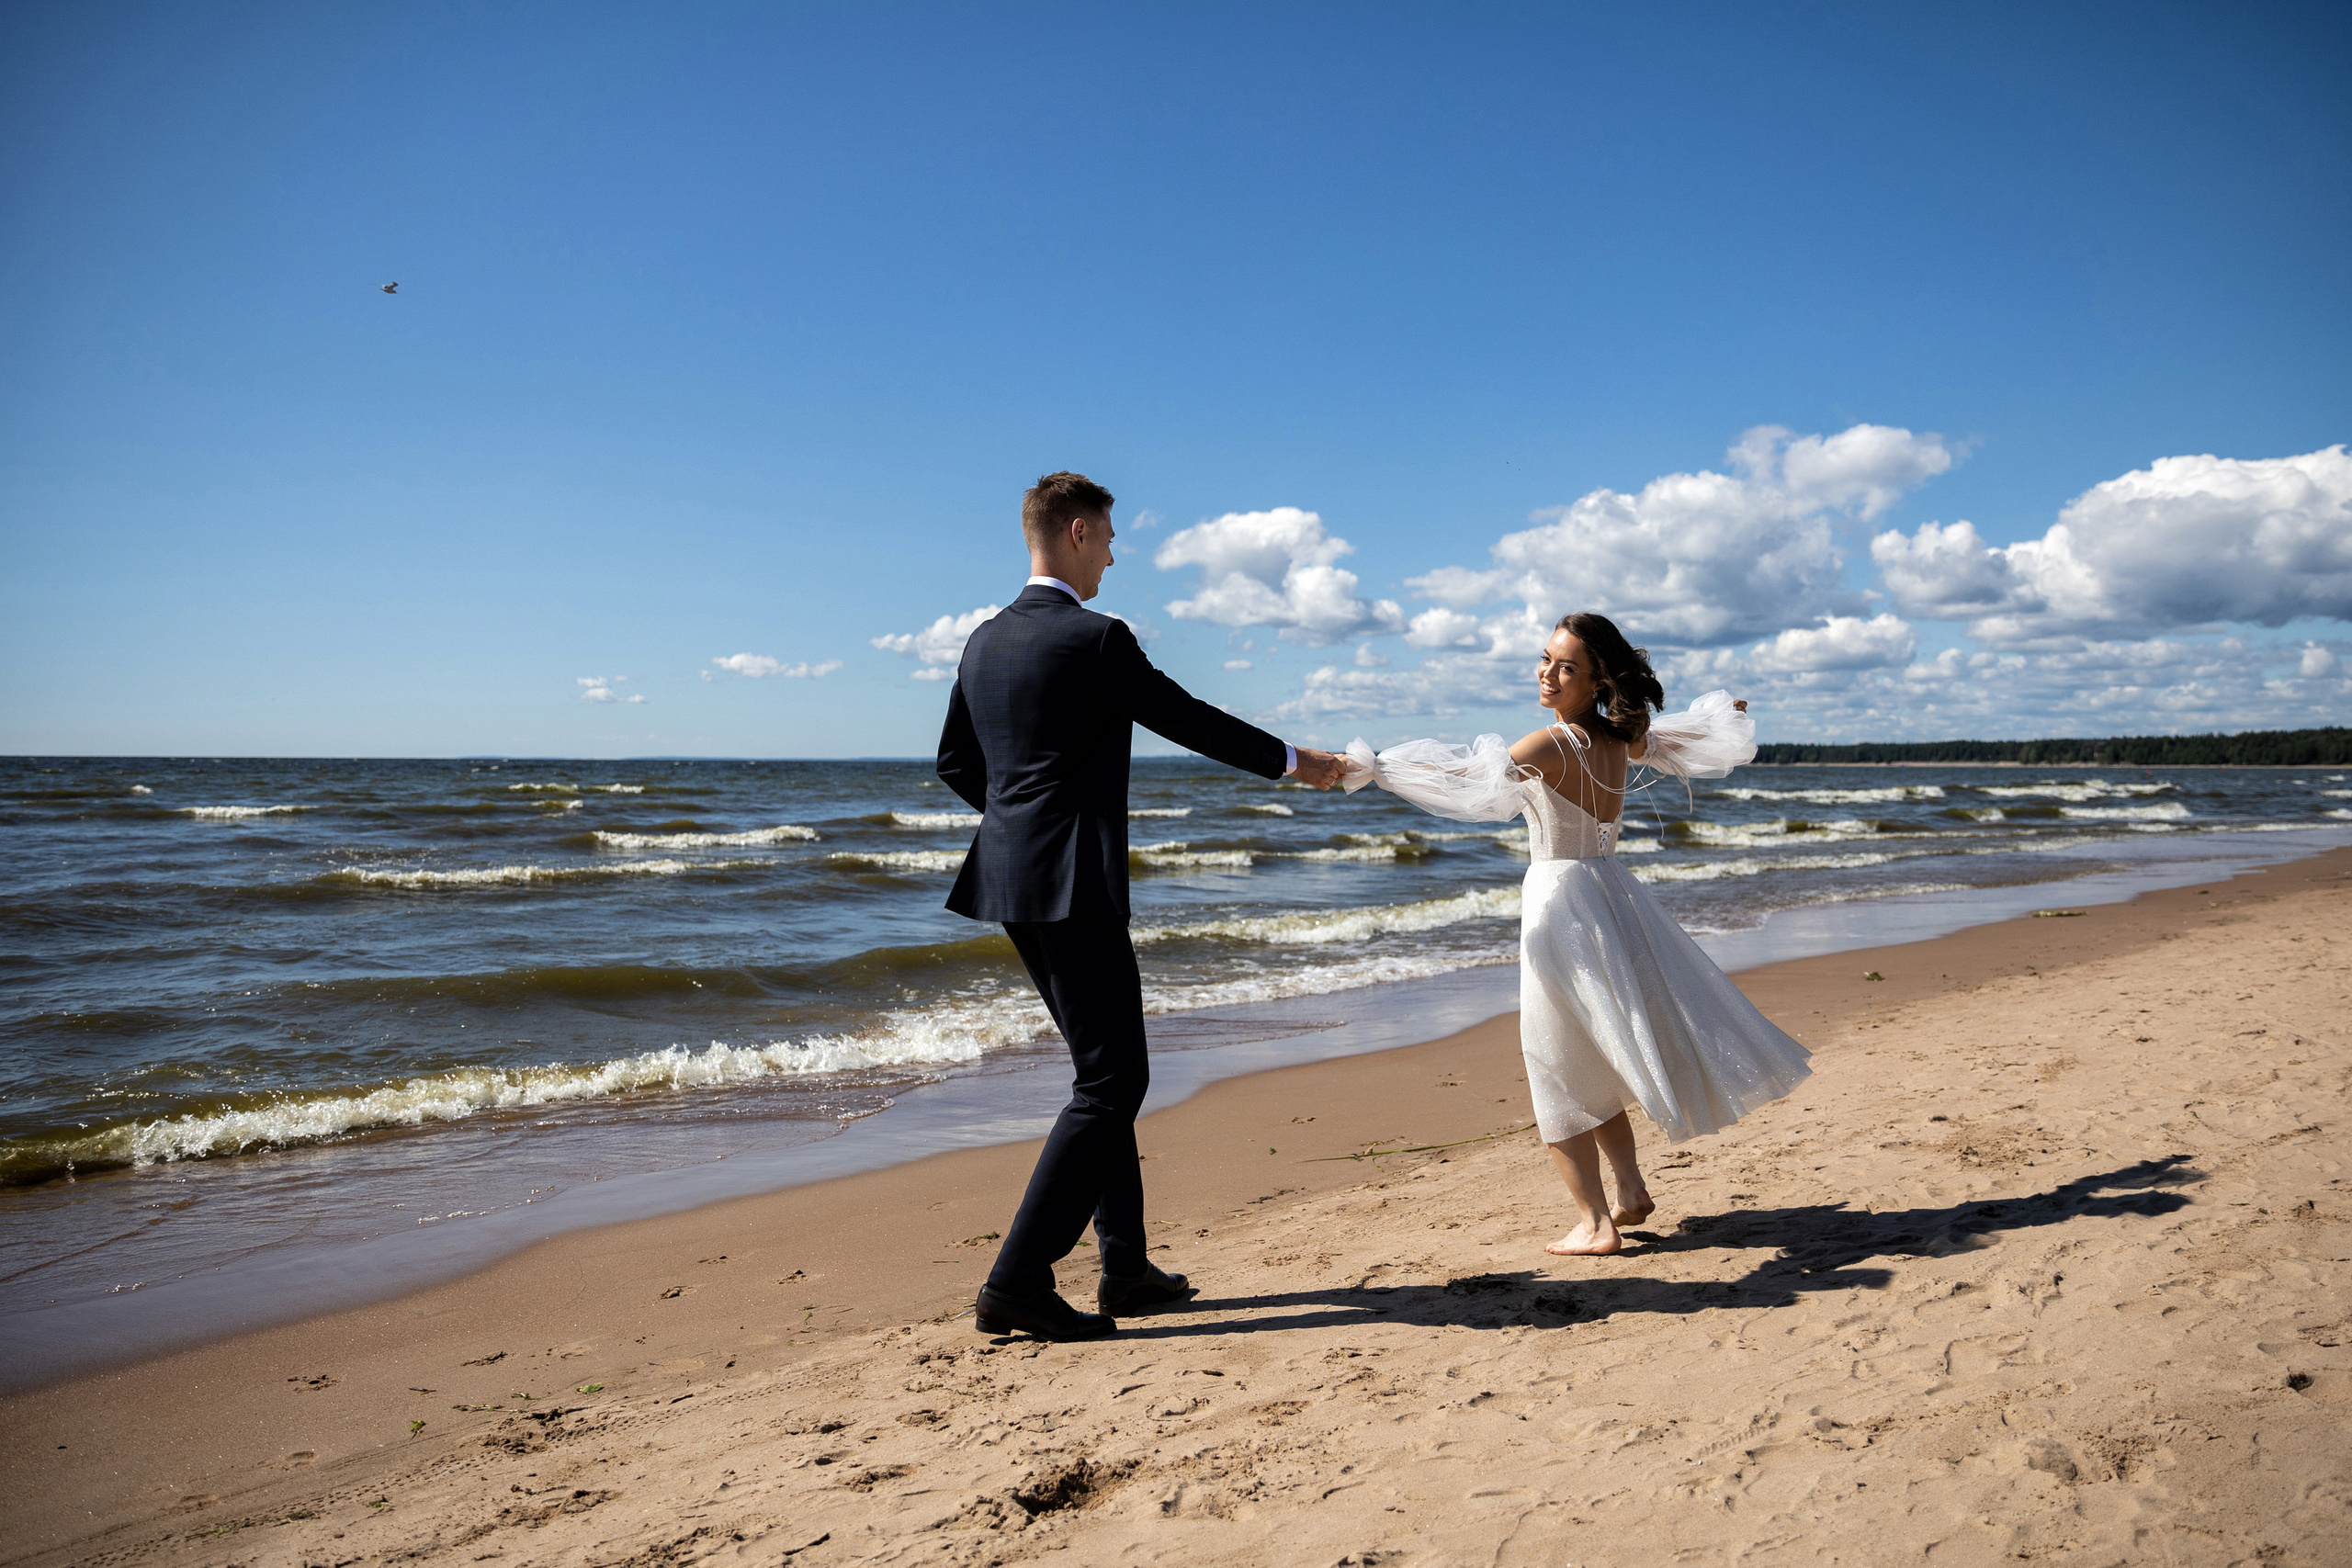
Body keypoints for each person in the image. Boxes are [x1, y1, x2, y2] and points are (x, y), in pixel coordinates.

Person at [937, 471, 1348, 1341]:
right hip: (1075, 879)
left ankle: (1124, 1265)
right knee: (1114, 1078)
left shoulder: (980, 642)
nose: (1116, 555)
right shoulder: (1095, 638)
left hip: (1012, 880)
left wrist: (1019, 820)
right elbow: (1186, 717)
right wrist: (1293, 761)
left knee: (1102, 1071)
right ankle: (1016, 1277)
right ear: (1078, 532)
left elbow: (956, 765)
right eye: (1112, 538)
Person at [1341, 611, 1811, 1256]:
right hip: (1609, 892)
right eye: (1545, 658)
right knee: (1584, 1050)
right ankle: (1630, 1188)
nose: (1548, 673)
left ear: (1595, 682)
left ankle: (1595, 1223)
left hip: (1560, 901)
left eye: (1566, 666)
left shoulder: (1548, 745)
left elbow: (1465, 783)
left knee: (1555, 1061)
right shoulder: (1622, 740)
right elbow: (1669, 739)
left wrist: (1370, 767)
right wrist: (1717, 719)